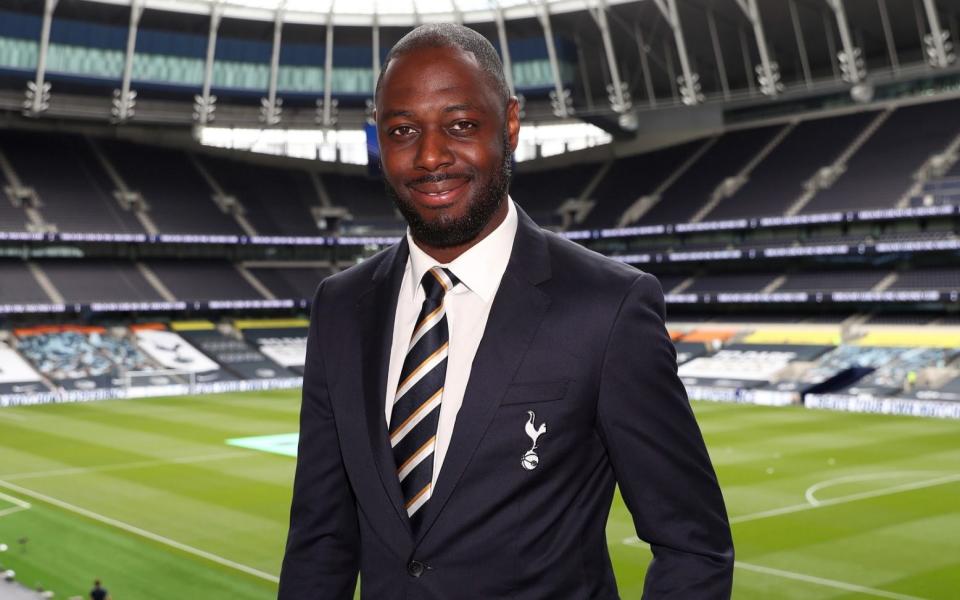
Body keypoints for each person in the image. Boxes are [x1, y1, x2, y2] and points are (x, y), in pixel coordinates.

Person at [279, 23, 733, 599]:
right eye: (402, 131)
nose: (431, 156)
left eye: (461, 125)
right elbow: (320, 540)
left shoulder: (609, 307)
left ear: (510, 125)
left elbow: (693, 546)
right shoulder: (341, 307)